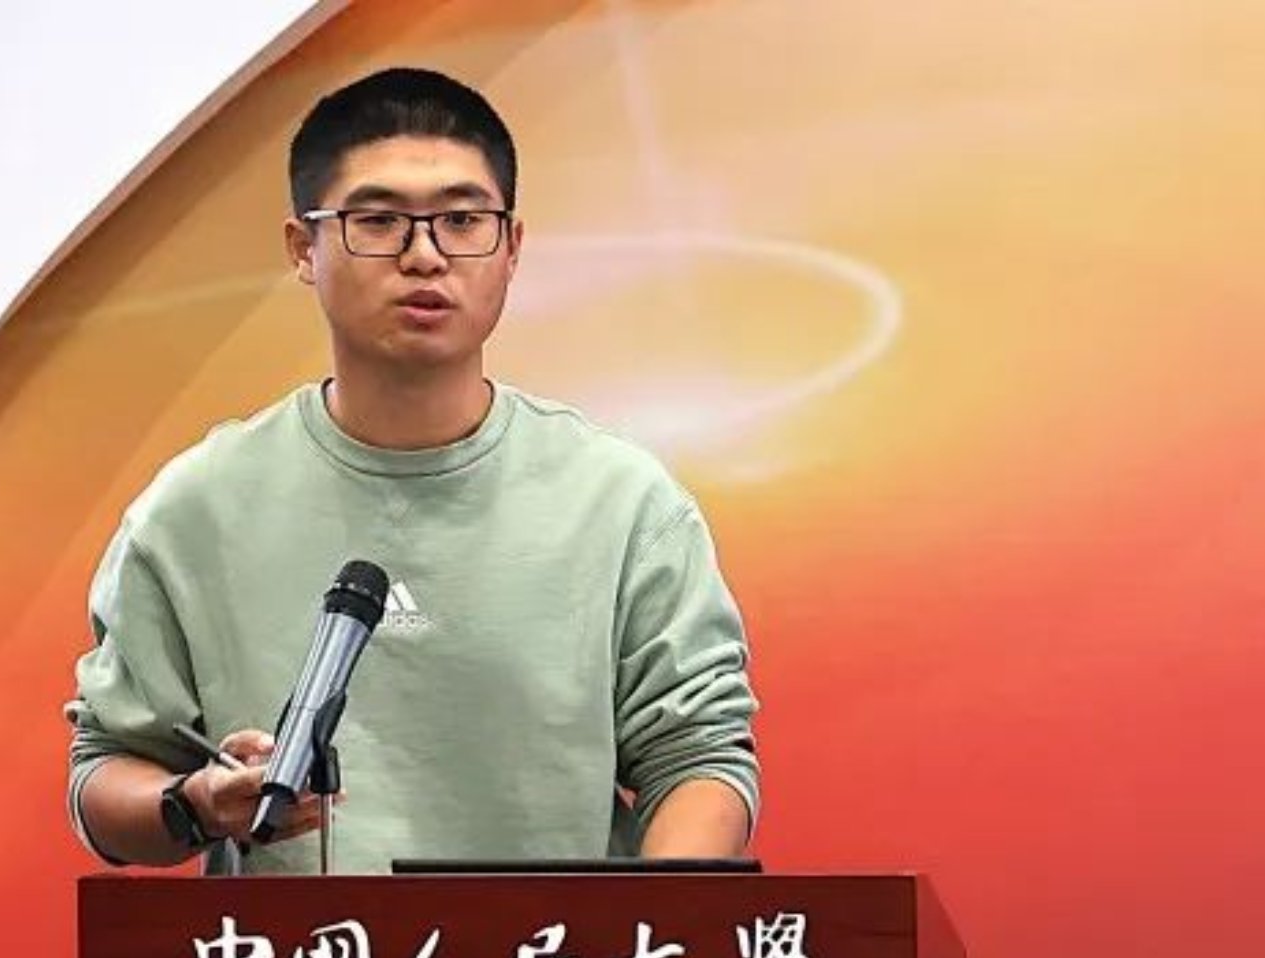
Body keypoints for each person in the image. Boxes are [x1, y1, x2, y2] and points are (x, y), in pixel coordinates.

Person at [64, 67, 760, 874]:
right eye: (379, 220)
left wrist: (651, 922)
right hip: (301, 957)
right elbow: (104, 769)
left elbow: (700, 756)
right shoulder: (197, 508)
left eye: (462, 220)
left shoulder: (622, 503)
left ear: (512, 247)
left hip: (555, 955)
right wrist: (193, 805)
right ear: (303, 248)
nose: (425, 255)